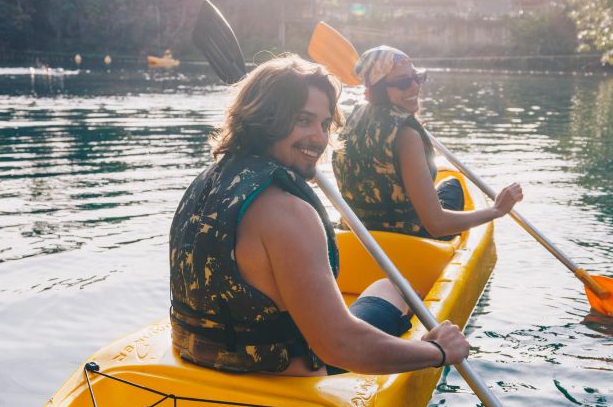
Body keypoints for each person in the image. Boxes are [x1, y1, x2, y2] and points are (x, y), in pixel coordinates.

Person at [169, 55, 470, 376]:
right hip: (285, 371)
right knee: (390, 288)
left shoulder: (205, 181)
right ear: (266, 119)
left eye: (324, 124)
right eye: (303, 120)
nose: (319, 137)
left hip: (198, 354)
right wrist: (436, 351)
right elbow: (339, 347)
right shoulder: (288, 212)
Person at [332, 46, 523, 240]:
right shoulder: (407, 136)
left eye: (418, 77)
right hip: (409, 240)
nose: (415, 86)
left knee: (447, 184)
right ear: (379, 89)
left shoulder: (355, 116)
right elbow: (436, 225)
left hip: (358, 234)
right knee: (453, 186)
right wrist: (497, 210)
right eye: (404, 82)